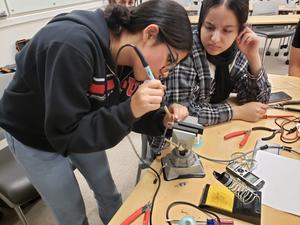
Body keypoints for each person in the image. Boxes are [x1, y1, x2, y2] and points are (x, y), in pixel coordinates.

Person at [0, 1, 192, 225]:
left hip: (80, 121)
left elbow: (122, 110)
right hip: (33, 135)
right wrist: (129, 110)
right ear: (150, 33)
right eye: (169, 60)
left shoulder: (128, 57)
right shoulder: (72, 45)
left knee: (109, 193)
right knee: (72, 213)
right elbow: (65, 135)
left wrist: (161, 119)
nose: (164, 73)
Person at [165, 0, 271, 126]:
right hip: (178, 138)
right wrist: (236, 112)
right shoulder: (185, 52)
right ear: (201, 22)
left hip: (217, 130)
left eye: (227, 30)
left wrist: (253, 56)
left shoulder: (238, 49)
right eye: (209, 27)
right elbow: (180, 115)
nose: (215, 38)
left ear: (241, 30)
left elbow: (258, 103)